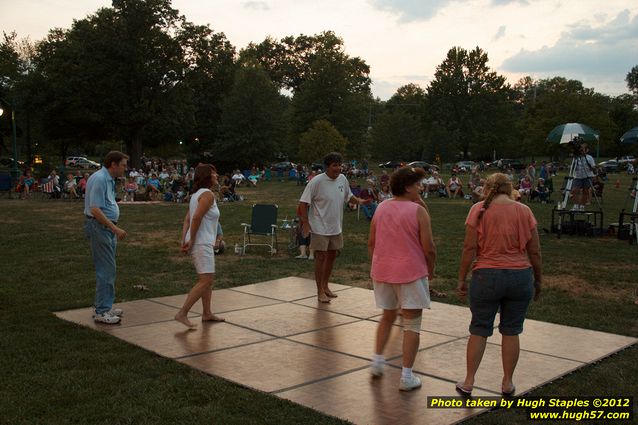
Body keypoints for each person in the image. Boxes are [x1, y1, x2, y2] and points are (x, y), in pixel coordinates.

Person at [456, 173, 542, 397]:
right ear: (509, 188)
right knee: (511, 331)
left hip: (486, 276)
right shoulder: (524, 211)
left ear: (487, 188)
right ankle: (507, 383)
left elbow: (469, 248)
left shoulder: (478, 209)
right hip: (520, 276)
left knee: (479, 328)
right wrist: (538, 279)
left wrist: (461, 278)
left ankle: (468, 381)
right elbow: (534, 251)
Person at [368, 167, 436, 391]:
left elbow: (372, 242)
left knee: (387, 316)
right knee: (412, 324)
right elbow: (429, 248)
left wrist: (377, 263)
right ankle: (407, 376)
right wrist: (430, 270)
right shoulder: (418, 212)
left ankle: (377, 361)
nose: (421, 187)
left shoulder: (381, 207)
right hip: (411, 272)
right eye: (418, 184)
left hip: (383, 271)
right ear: (408, 187)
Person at [298, 152, 370, 303]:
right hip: (319, 227)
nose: (338, 168)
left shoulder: (343, 179)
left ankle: (325, 286)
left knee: (331, 257)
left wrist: (360, 201)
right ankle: (319, 291)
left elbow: (349, 196)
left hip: (336, 227)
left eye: (339, 165)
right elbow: (303, 203)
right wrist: (305, 222)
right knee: (321, 257)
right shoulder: (316, 181)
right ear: (327, 167)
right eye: (334, 165)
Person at [174, 164, 225, 328]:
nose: (217, 176)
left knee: (207, 280)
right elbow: (195, 218)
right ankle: (182, 313)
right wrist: (192, 240)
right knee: (206, 280)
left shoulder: (196, 195)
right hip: (201, 242)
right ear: (207, 177)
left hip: (200, 241)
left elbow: (187, 219)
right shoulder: (208, 195)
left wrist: (185, 239)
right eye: (214, 174)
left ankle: (207, 313)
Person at [84, 151, 129, 324]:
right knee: (106, 270)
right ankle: (102, 311)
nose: (125, 168)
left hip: (105, 228)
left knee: (109, 268)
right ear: (113, 164)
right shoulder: (101, 179)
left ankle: (104, 305)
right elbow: (95, 209)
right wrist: (114, 228)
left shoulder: (108, 179)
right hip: (100, 227)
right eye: (123, 165)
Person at [571, 143, 596, 211]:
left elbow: (593, 167)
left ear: (586, 150)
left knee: (585, 191)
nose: (581, 150)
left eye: (583, 149)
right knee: (574, 191)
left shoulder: (589, 158)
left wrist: (592, 168)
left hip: (587, 176)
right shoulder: (576, 157)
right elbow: (573, 167)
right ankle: (576, 205)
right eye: (580, 149)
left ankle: (582, 206)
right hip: (577, 176)